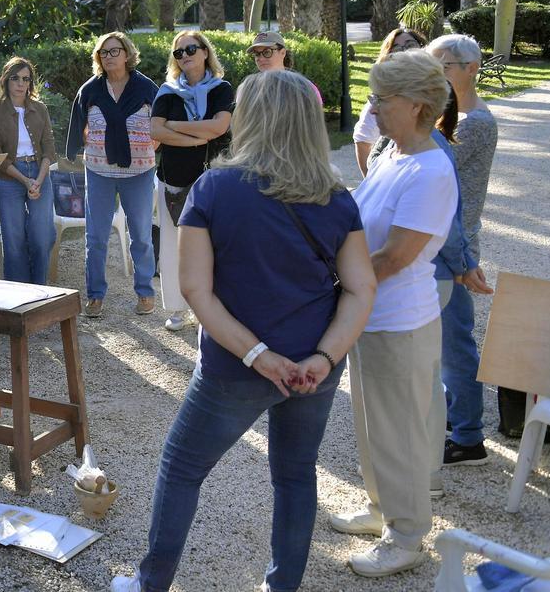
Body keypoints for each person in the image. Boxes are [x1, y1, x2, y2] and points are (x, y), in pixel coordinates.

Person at [111, 70, 376, 592]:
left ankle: (150, 585)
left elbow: (194, 289)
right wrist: (323, 360)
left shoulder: (215, 187)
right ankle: (283, 586)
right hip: (313, 367)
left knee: (182, 468)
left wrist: (258, 356)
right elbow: (360, 289)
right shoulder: (336, 196)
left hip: (236, 366)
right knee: (296, 476)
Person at [331, 50, 458, 578]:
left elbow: (395, 257)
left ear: (417, 105)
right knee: (371, 423)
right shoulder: (390, 152)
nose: (373, 106)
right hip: (372, 315)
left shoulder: (431, 169)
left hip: (400, 321)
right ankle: (382, 510)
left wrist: (332, 282)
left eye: (382, 98)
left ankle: (407, 536)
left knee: (399, 430)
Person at [429, 34, 498, 466]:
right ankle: (456, 421)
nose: (437, 73)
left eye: (445, 65)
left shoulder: (474, 122)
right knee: (444, 341)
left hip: (455, 245)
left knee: (455, 342)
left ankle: (469, 435)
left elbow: (435, 166)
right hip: (444, 240)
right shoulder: (450, 116)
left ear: (471, 68)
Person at [65, 32, 160, 317]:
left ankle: (145, 292)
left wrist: (145, 148)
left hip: (139, 172)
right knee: (95, 237)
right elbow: (79, 127)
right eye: (103, 53)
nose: (108, 57)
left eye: (114, 51)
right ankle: (95, 295)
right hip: (98, 172)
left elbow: (160, 125)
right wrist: (92, 149)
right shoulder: (90, 90)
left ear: (128, 54)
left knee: (141, 235)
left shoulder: (146, 87)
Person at [151, 31, 234, 331]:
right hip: (172, 179)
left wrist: (175, 126)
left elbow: (220, 126)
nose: (185, 55)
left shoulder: (221, 89)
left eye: (190, 49)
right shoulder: (167, 91)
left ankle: (211, 308)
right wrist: (198, 135)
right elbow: (155, 132)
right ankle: (177, 308)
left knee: (214, 245)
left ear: (204, 52)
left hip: (211, 180)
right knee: (173, 246)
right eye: (178, 52)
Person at [0, 56, 57, 284]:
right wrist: (25, 181)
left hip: (40, 172)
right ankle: (18, 296)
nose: (21, 83)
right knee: (14, 240)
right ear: (5, 80)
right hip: (9, 176)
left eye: (26, 79)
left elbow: (49, 150)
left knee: (41, 237)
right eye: (15, 78)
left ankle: (39, 291)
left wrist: (37, 179)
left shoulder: (40, 109)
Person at [352, 28, 428, 175]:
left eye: (410, 45)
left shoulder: (436, 88)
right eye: (396, 48)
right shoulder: (382, 97)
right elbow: (363, 140)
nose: (404, 51)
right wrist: (371, 182)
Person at [248, 30, 322, 104]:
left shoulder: (305, 88)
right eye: (257, 54)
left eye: (267, 52)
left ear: (283, 52)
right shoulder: (248, 89)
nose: (261, 58)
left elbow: (315, 114)